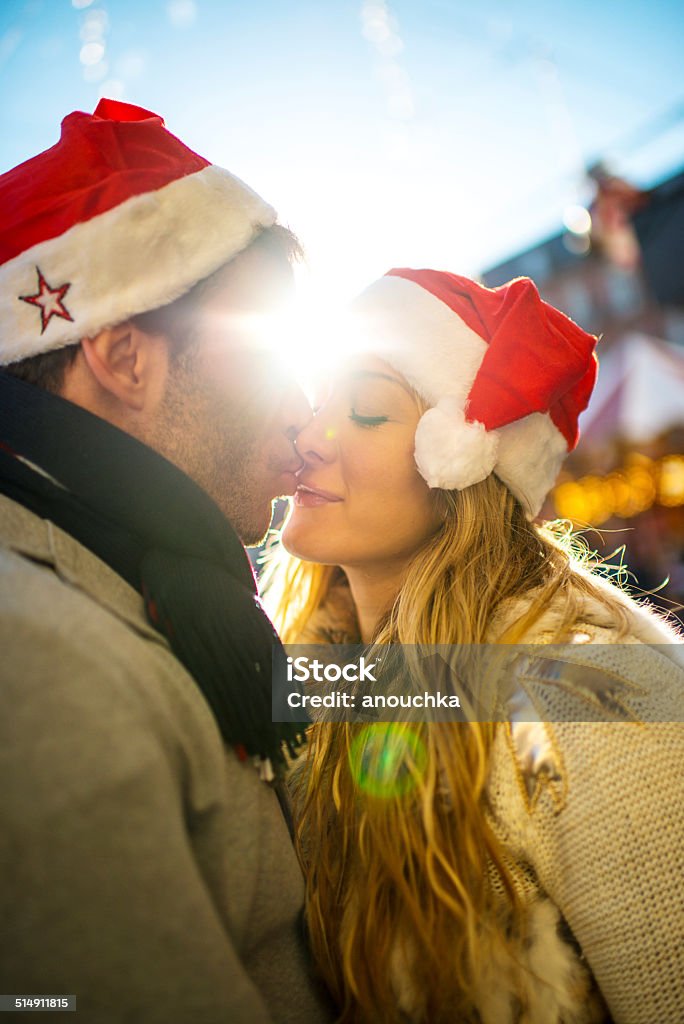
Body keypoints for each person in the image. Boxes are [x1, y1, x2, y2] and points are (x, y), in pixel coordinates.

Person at [271, 268, 684, 1024]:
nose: (305, 438)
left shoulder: (593, 690)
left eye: (364, 411)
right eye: (316, 401)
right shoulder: (302, 688)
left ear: (455, 462)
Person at [0, 99, 334, 1023]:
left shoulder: (135, 583)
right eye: (266, 352)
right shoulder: (43, 665)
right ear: (124, 360)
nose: (305, 412)